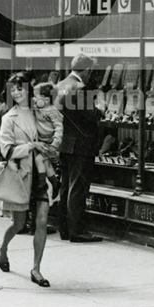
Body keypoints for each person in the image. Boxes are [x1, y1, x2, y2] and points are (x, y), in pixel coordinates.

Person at [0, 74, 53, 288]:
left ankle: (36, 269)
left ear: (29, 89)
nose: (17, 92)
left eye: (21, 88)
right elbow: (6, 151)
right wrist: (31, 146)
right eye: (13, 89)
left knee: (41, 221)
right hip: (20, 175)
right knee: (18, 223)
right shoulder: (9, 118)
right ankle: (3, 247)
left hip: (40, 173)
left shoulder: (40, 112)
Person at [56, 53, 103, 243]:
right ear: (88, 70)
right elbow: (91, 115)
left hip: (65, 143)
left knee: (65, 186)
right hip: (81, 144)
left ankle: (65, 229)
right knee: (78, 188)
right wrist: (100, 106)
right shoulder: (79, 88)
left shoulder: (61, 85)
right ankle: (77, 231)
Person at [32, 81, 63, 204]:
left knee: (40, 160)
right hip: (42, 142)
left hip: (50, 143)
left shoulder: (52, 111)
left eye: (36, 96)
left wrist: (55, 143)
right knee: (44, 162)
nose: (34, 99)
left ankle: (43, 183)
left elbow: (59, 128)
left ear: (45, 98)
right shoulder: (38, 108)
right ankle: (54, 183)